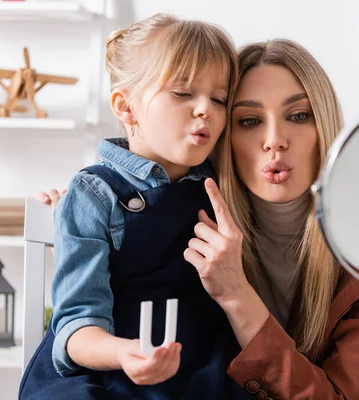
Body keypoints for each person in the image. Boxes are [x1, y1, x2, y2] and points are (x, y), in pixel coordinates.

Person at [36, 39, 359, 399]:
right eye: (249, 121)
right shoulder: (185, 209)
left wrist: (235, 293)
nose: (275, 140)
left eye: (299, 114)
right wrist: (83, 212)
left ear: (324, 126)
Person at [19, 13, 251, 400]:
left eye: (219, 98)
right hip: (104, 370)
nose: (205, 109)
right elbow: (75, 329)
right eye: (182, 93)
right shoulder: (94, 193)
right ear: (126, 108)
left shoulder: (225, 185)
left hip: (196, 374)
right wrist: (125, 352)